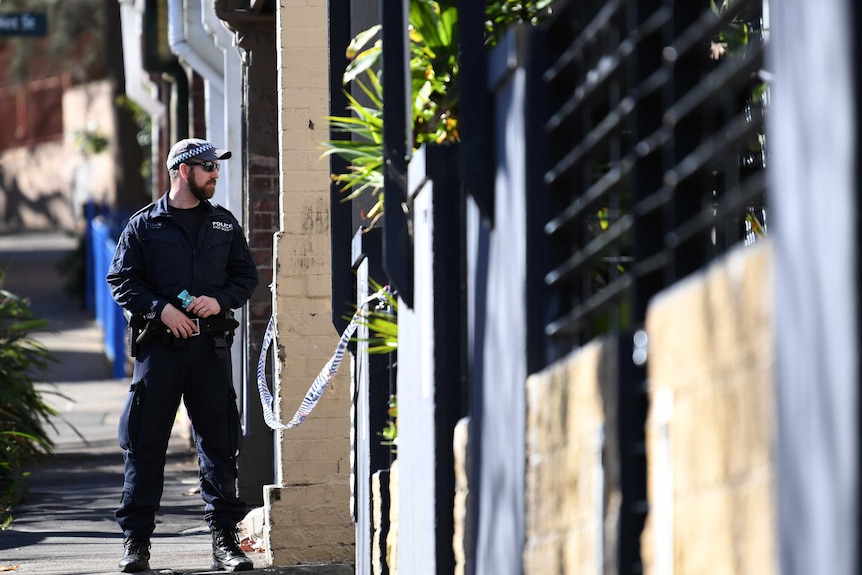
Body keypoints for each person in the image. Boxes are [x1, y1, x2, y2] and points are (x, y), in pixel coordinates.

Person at [107, 138, 259, 573]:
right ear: (181, 171)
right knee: (144, 442)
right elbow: (121, 280)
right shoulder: (143, 225)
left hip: (209, 350)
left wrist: (219, 300)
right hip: (160, 351)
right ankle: (136, 543)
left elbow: (244, 276)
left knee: (218, 443)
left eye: (216, 166)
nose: (215, 173)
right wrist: (161, 309)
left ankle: (224, 542)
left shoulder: (223, 225)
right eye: (208, 166)